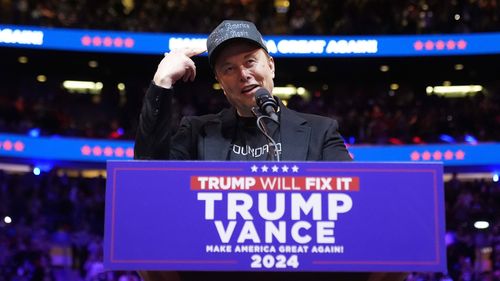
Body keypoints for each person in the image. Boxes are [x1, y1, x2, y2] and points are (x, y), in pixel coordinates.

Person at [134, 20, 405, 281]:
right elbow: (148, 179)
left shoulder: (320, 131)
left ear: (271, 66)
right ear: (220, 82)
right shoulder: (196, 131)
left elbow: (353, 207)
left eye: (250, 61)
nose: (243, 73)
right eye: (228, 69)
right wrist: (162, 82)